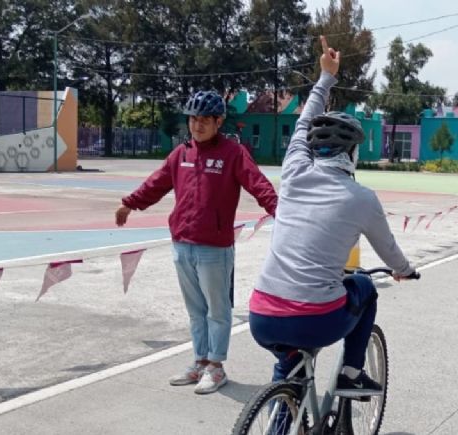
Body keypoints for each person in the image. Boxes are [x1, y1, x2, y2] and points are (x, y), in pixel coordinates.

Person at [249, 36, 416, 396]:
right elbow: (388, 251)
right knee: (366, 288)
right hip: (314, 318)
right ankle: (351, 374)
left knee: (288, 367)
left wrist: (326, 77)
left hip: (261, 314)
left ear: (312, 145)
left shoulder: (293, 170)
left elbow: (304, 119)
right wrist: (404, 270)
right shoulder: (362, 198)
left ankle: (283, 415)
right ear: (352, 154)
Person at [115, 91, 277, 394]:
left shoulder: (233, 153)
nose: (197, 125)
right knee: (195, 310)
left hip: (214, 248)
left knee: (218, 310)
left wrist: (279, 211)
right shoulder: (182, 154)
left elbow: (258, 184)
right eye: (192, 119)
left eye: (204, 120)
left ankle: (216, 367)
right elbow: (156, 183)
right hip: (182, 244)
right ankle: (200, 361)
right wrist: (130, 203)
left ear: (219, 121)